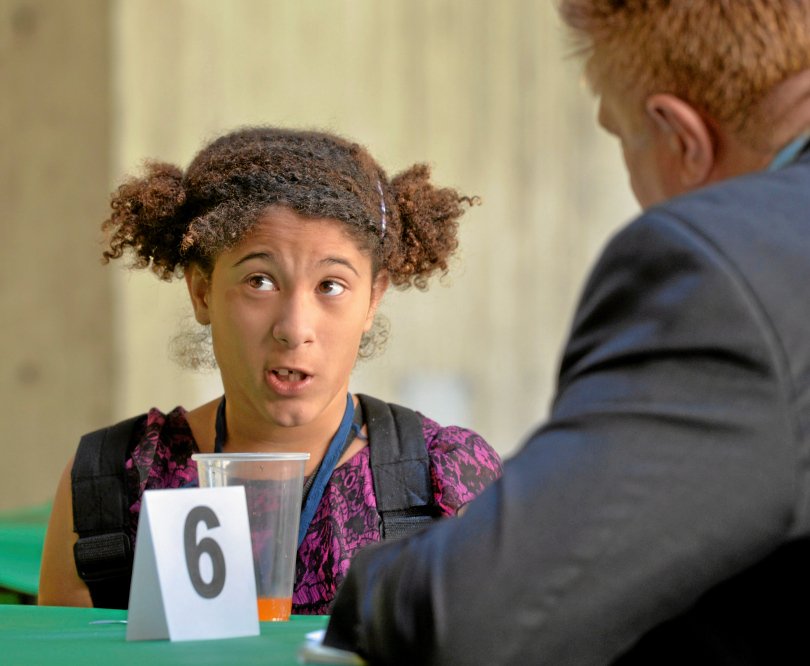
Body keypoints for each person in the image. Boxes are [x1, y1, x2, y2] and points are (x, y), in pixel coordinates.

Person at [323, 1, 810, 663]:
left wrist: (365, 585)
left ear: (683, 140)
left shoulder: (727, 264)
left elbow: (474, 615)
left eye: (621, 135)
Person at [38, 126, 502, 615]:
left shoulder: (444, 480)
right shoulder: (113, 480)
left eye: (331, 285)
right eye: (260, 281)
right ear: (202, 292)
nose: (294, 328)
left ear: (373, 299)